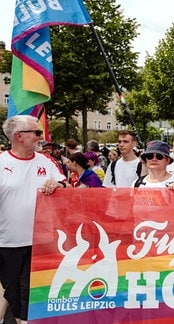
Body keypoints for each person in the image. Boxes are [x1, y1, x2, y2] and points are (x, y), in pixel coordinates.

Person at [0, 115, 69, 324]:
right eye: (37, 133)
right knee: (10, 290)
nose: (42, 137)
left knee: (31, 292)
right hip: (8, 241)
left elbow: (67, 188)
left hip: (41, 241)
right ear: (19, 136)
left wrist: (59, 186)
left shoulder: (46, 161)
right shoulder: (2, 162)